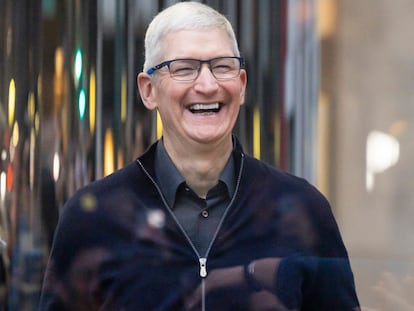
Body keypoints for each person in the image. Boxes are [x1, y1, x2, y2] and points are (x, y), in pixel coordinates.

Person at [39, 2, 360, 310]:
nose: (207, 85)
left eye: (222, 67)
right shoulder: (92, 218)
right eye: (184, 68)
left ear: (242, 84)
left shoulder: (304, 210)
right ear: (148, 90)